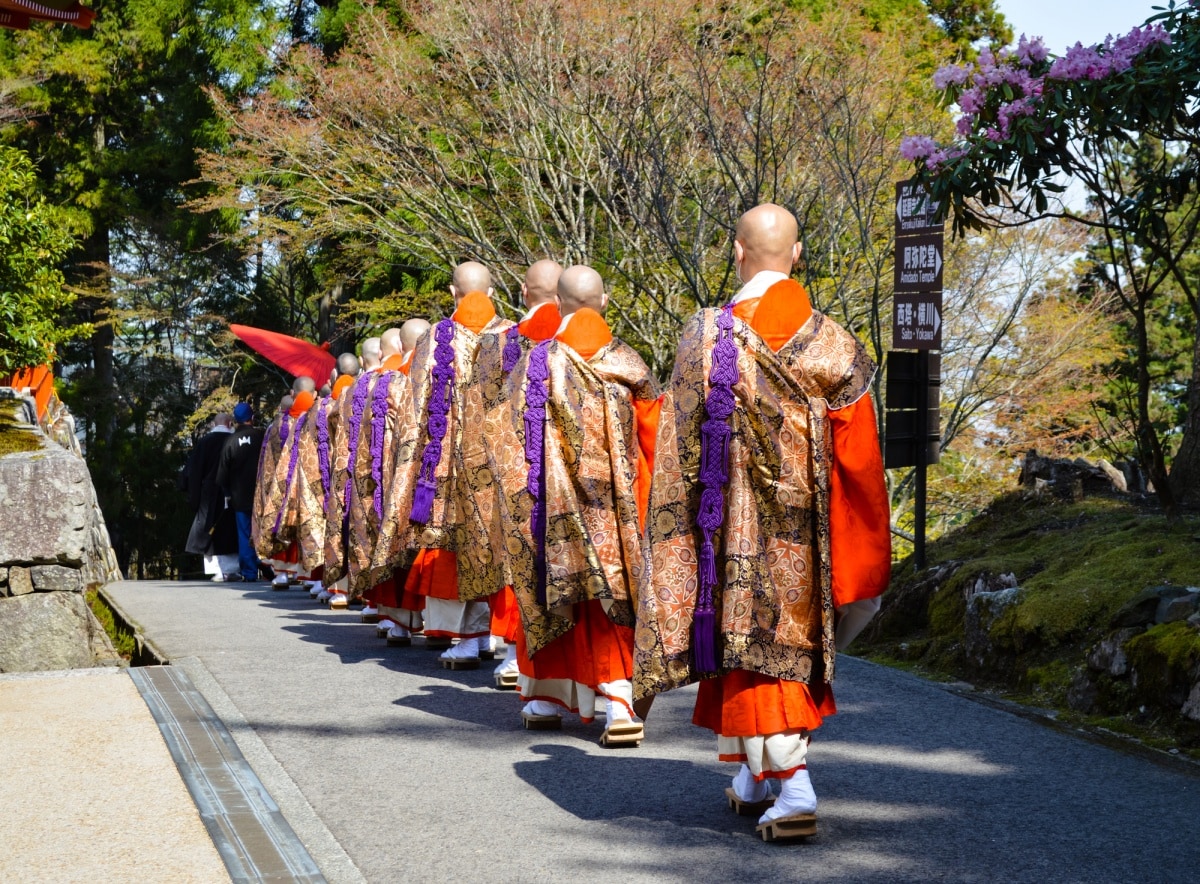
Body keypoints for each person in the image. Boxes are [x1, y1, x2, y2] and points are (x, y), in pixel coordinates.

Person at [634, 204, 891, 840]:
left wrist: (679, 541)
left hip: (723, 533)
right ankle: (755, 779)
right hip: (809, 537)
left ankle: (796, 790)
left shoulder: (703, 336)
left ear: (736, 250)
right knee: (782, 654)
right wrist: (862, 545)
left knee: (753, 657)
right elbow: (859, 461)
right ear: (797, 255)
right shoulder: (834, 344)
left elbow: (676, 448)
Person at [488, 265, 661, 744]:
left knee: (547, 591)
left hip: (550, 509)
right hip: (619, 510)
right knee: (614, 602)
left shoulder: (534, 364)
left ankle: (544, 696)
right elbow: (655, 445)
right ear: (604, 301)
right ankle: (620, 701)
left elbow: (504, 444)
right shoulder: (632, 364)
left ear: (558, 305)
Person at [369, 262, 513, 662]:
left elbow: (415, 409)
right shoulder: (512, 336)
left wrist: (409, 465)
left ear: (452, 291)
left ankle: (465, 638)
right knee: (494, 544)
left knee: (451, 545)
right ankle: (486, 635)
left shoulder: (436, 340)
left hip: (446, 465)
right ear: (492, 289)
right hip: (499, 465)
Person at [456, 259, 563, 687]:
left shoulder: (500, 344)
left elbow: (478, 421)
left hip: (517, 472)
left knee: (519, 560)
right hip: (573, 477)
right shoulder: (583, 342)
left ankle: (519, 656)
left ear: (522, 291)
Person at [182, 412, 239, 581]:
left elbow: (193, 471)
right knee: (229, 530)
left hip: (208, 492)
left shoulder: (205, 442)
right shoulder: (234, 440)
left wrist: (193, 496)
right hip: (231, 491)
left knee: (209, 529)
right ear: (229, 423)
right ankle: (232, 569)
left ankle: (216, 570)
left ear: (215, 425)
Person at [217, 402, 267, 583]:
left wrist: (227, 492)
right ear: (252, 418)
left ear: (234, 421)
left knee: (245, 533)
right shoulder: (262, 436)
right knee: (265, 531)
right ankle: (274, 569)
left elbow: (222, 474)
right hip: (263, 493)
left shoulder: (229, 441)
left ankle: (250, 572)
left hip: (240, 496)